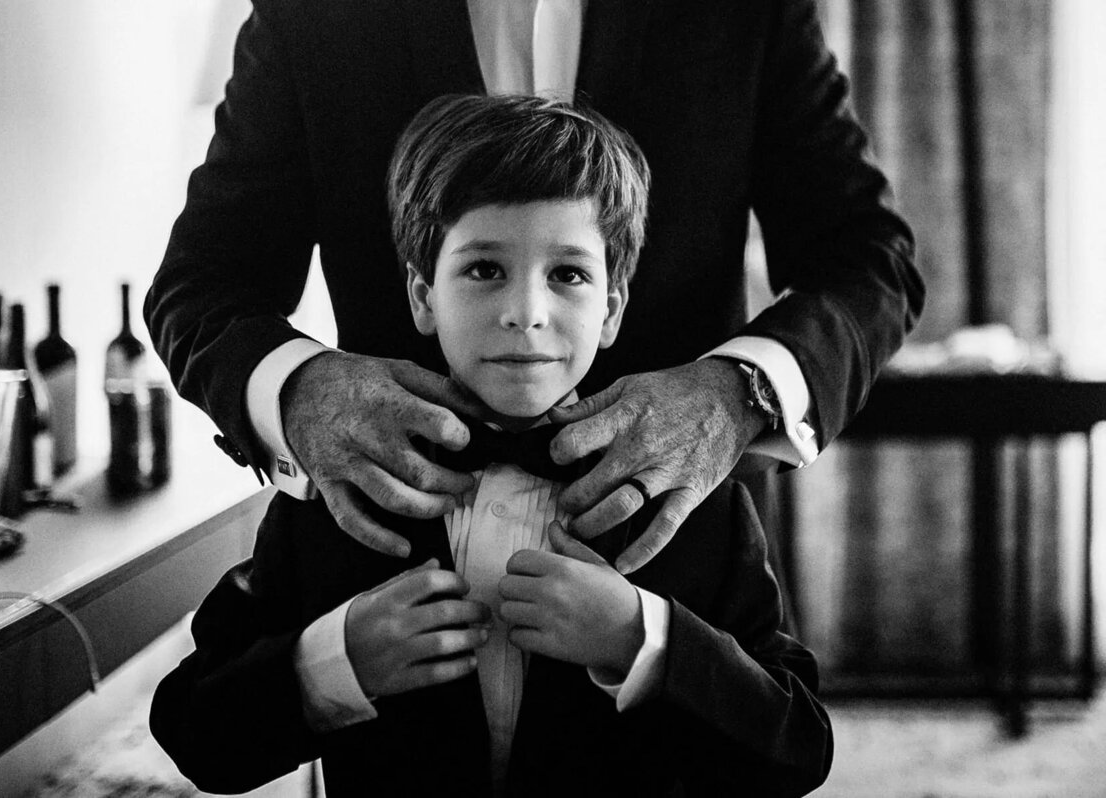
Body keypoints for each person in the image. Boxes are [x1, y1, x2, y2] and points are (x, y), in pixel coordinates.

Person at [150, 94, 832, 798]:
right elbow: (196, 733)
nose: (525, 314)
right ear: (422, 295)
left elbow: (798, 748)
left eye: (567, 274)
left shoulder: (686, 500)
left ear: (613, 308)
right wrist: (336, 660)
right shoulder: (343, 489)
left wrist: (644, 640)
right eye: (484, 270)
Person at [145, 0, 923, 574]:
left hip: (674, 557)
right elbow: (203, 283)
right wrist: (301, 390)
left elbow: (866, 258)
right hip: (388, 568)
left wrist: (735, 395)